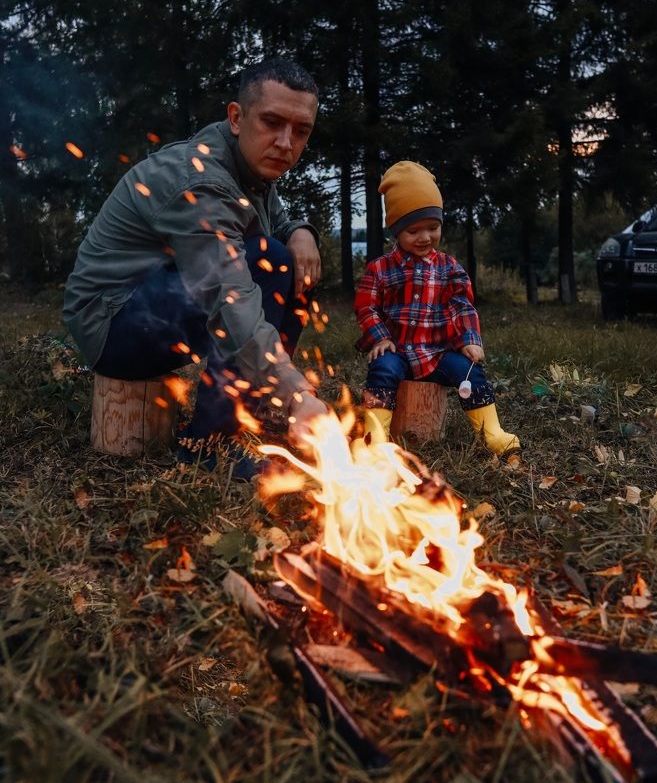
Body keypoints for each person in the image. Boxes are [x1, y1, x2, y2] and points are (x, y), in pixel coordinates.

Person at [63, 57, 328, 478]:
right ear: (237, 117)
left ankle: (257, 399)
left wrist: (301, 232)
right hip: (111, 322)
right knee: (270, 262)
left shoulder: (249, 165)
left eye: (301, 131)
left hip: (151, 301)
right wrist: (299, 392)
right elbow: (229, 297)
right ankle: (209, 443)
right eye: (273, 122)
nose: (285, 142)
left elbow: (274, 220)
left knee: (290, 256)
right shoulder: (201, 180)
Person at [354, 160, 520, 456]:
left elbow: (462, 306)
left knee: (469, 371)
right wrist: (380, 337)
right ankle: (375, 438)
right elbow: (367, 306)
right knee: (382, 370)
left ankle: (492, 431)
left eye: (433, 227)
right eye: (413, 231)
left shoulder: (448, 267)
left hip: (437, 352)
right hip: (399, 351)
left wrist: (469, 341)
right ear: (396, 231)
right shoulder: (380, 269)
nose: (425, 237)